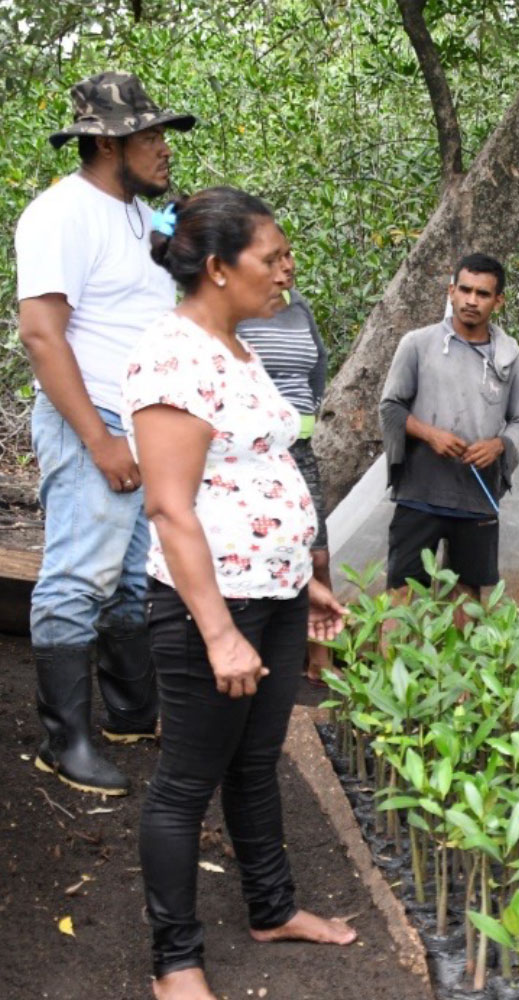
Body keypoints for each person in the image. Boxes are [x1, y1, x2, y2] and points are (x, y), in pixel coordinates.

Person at [124, 186, 357, 1000]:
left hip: (278, 592)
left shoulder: (240, 347)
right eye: (273, 257)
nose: (287, 270)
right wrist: (220, 632)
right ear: (219, 268)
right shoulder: (172, 356)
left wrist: (306, 580)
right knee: (186, 781)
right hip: (210, 606)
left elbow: (263, 469)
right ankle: (175, 962)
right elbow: (170, 506)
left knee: (257, 763)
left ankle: (272, 908)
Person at [15, 71, 196, 796]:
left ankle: (128, 711)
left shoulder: (134, 215)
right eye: (149, 136)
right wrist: (99, 439)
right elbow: (41, 334)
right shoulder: (61, 214)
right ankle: (64, 743)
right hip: (93, 418)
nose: (163, 148)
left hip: (141, 422)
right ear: (104, 141)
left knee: (129, 579)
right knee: (76, 577)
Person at [379, 253, 519, 611]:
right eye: (465, 290)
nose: (471, 301)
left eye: (483, 293)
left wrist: (499, 445)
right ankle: (395, 666)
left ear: (499, 300)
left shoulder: (509, 356)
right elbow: (390, 407)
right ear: (451, 292)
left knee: (467, 597)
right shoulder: (418, 344)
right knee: (404, 592)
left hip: (477, 495)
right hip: (420, 490)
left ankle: (462, 667)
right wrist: (431, 435)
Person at [236, 275, 333, 684]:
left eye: (287, 255)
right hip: (252, 449)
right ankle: (250, 653)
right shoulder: (236, 306)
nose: (284, 266)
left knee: (318, 553)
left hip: (300, 447)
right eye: (273, 258)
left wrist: (307, 408)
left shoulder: (300, 306)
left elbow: (319, 362)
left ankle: (321, 659)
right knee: (254, 546)